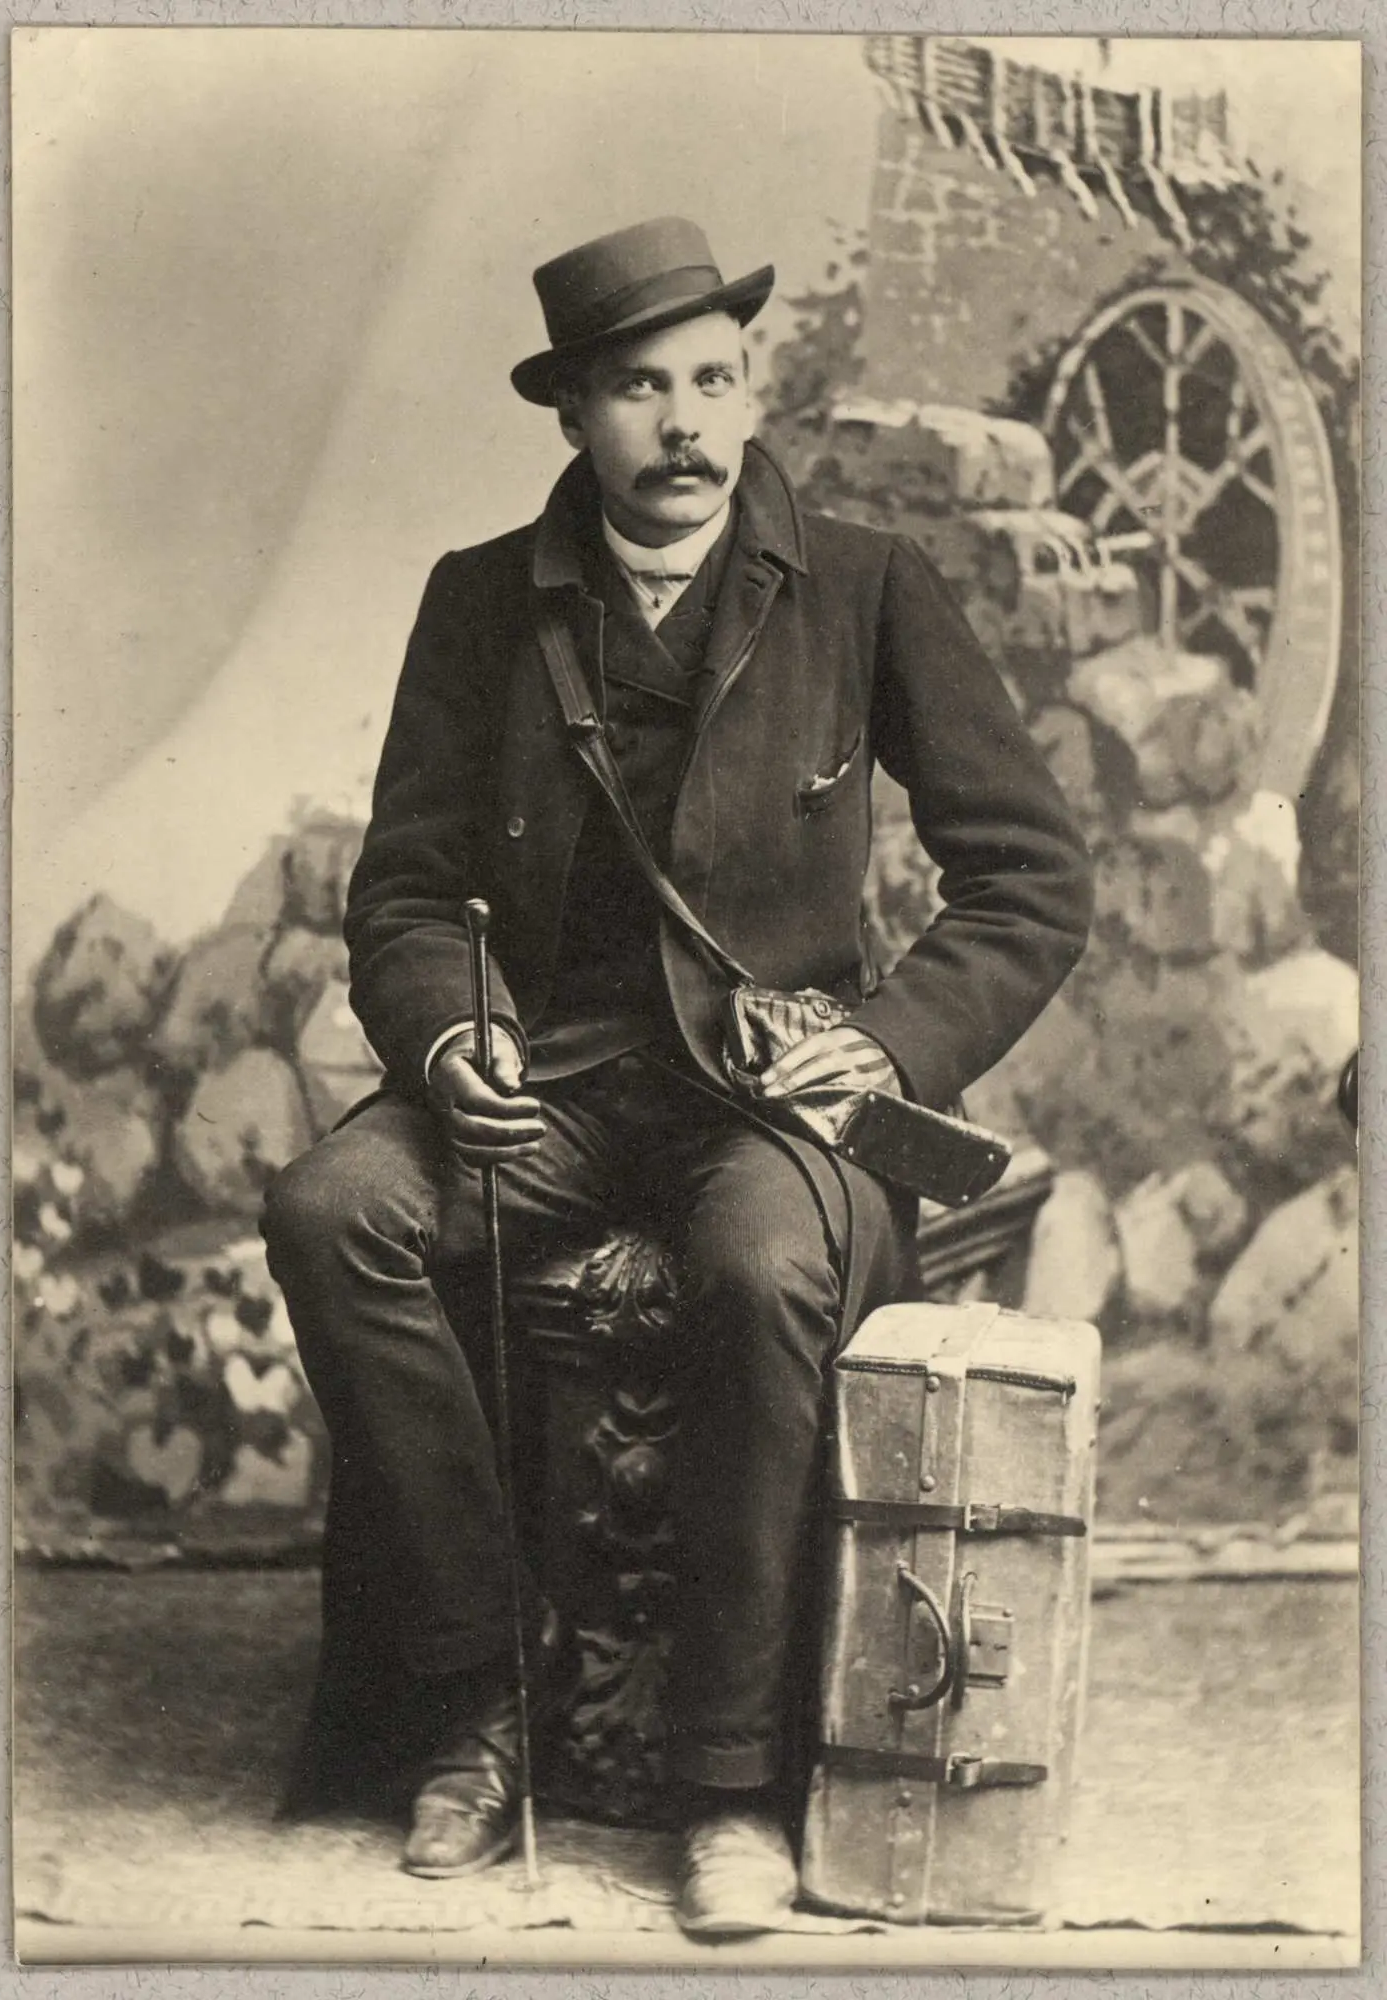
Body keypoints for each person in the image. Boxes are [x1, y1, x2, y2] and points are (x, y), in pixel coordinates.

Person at [261, 215, 1094, 1937]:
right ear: (572, 411)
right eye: (640, 388)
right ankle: (478, 1703)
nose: (686, 423)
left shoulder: (863, 584)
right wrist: (451, 1031)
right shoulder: (481, 601)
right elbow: (404, 890)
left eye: (714, 380)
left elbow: (1028, 875)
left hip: (771, 1103)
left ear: (748, 391)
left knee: (760, 1265)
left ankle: (725, 1786)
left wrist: (895, 1041)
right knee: (332, 1209)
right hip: (547, 1088)